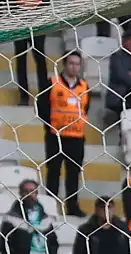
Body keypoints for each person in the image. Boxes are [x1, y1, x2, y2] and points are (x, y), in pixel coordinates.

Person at [39, 52, 88, 217]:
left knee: (73, 173)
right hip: (56, 136)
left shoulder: (84, 86)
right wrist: (52, 125)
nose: (74, 67)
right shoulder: (53, 83)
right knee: (53, 172)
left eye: (77, 64)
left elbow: (85, 109)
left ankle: (72, 206)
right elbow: (42, 107)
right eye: (71, 63)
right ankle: (50, 206)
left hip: (76, 137)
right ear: (64, 65)